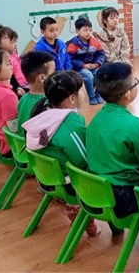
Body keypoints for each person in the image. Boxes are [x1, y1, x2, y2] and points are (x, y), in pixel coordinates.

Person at [22, 70, 100, 237]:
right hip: (69, 185)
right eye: (81, 89)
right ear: (72, 99)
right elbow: (83, 161)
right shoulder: (69, 125)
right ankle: (80, 211)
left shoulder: (44, 115)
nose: (84, 92)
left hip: (46, 178)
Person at [86, 63, 139, 229]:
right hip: (122, 197)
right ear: (127, 94)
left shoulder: (95, 120)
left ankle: (115, 228)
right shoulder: (133, 124)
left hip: (94, 190)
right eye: (135, 82)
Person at [66, 17, 105, 105]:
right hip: (78, 67)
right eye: (85, 30)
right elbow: (70, 59)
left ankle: (98, 94)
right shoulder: (73, 44)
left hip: (92, 65)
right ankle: (92, 96)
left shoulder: (95, 41)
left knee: (101, 73)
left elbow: (101, 54)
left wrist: (96, 64)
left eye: (90, 30)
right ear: (77, 31)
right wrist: (83, 65)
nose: (88, 33)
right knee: (88, 75)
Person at [16, 51, 55, 135]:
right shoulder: (47, 104)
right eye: (53, 71)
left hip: (22, 142)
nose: (56, 75)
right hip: (36, 143)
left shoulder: (23, 99)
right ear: (42, 78)